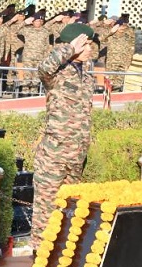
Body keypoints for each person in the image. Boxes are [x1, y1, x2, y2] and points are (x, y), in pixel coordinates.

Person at [29, 23, 97, 250]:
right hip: (54, 156)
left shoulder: (87, 77)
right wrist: (70, 48)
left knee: (70, 210)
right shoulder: (57, 74)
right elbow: (43, 68)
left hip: (76, 156)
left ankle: (61, 258)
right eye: (85, 44)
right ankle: (38, 260)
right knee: (45, 212)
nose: (91, 48)